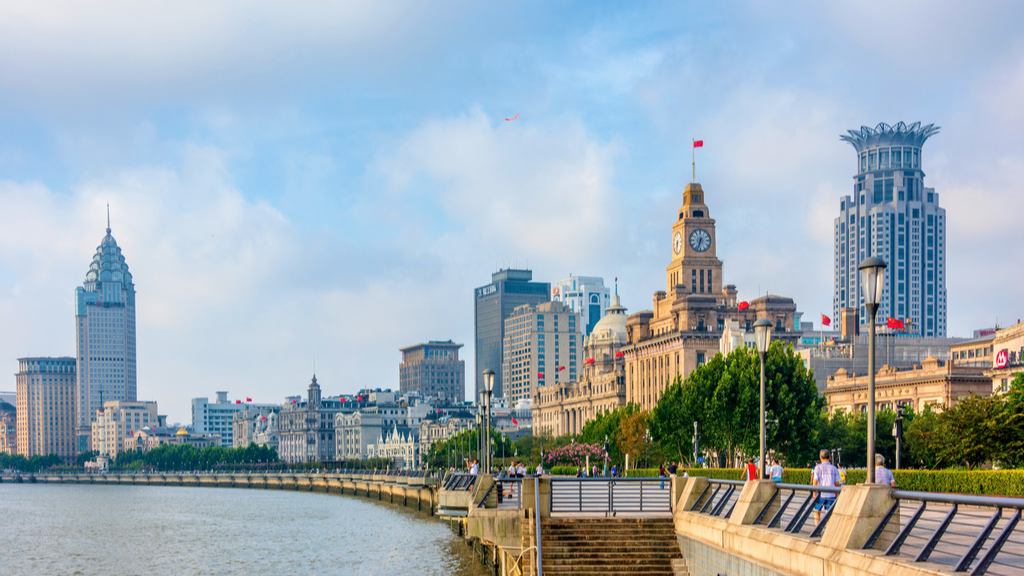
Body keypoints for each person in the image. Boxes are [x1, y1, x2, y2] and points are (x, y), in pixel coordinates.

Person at [811, 449, 842, 525]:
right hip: (831, 494)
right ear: (830, 458)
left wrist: (814, 494)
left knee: (817, 512)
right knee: (829, 515)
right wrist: (837, 494)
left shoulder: (817, 468)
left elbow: (815, 482)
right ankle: (827, 531)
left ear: (820, 458)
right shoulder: (834, 468)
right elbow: (837, 483)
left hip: (820, 494)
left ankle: (817, 529)